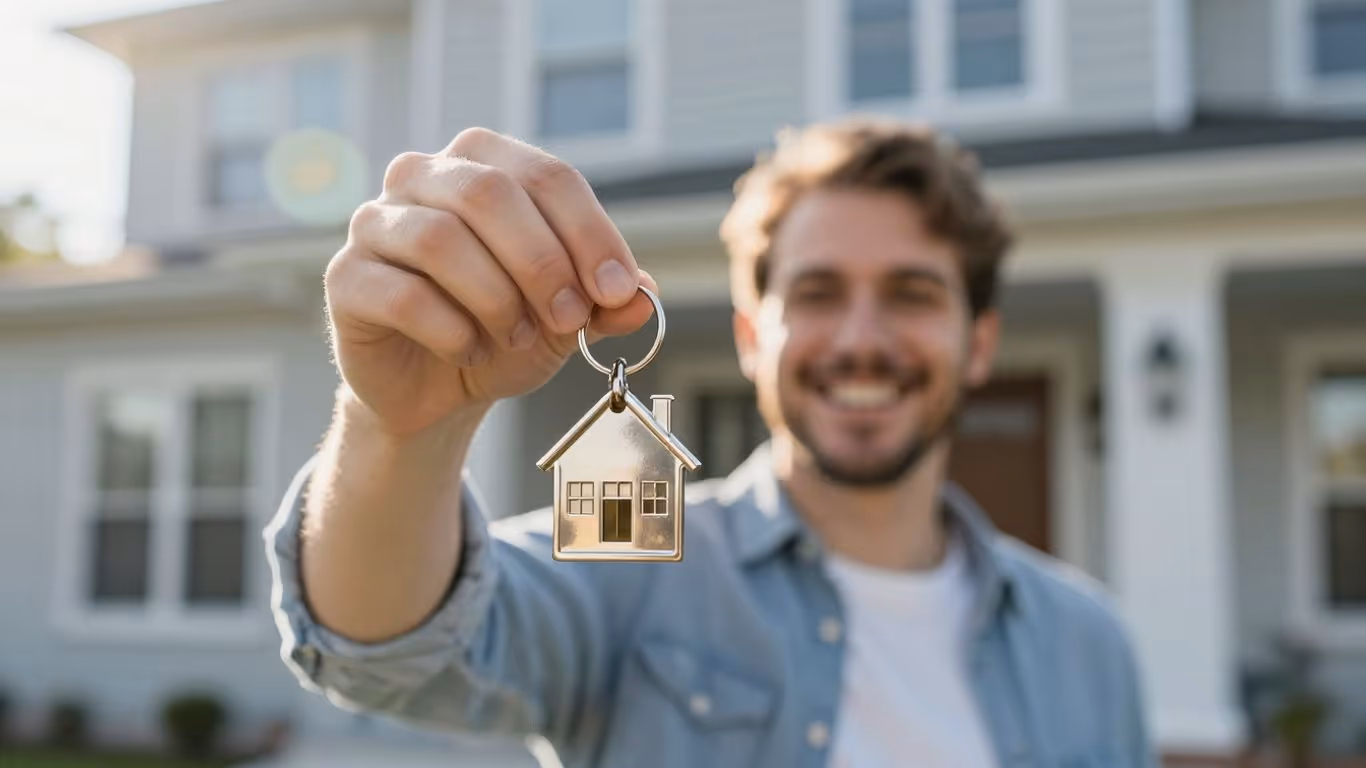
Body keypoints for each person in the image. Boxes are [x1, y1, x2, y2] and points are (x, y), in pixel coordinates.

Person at [265, 118, 1156, 768]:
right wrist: (401, 431)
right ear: (751, 335)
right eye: (816, 292)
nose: (859, 338)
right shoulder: (634, 567)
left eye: (913, 293)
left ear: (980, 343)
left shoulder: (1089, 642)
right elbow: (385, 649)